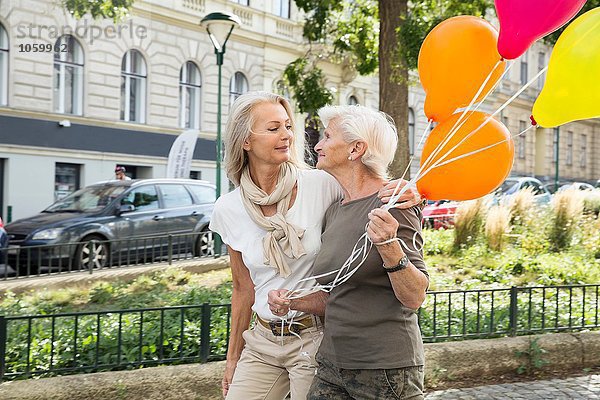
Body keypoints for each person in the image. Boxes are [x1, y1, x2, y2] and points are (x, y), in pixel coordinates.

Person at [208, 92, 421, 400]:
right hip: (263, 338)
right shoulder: (227, 208)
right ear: (245, 141)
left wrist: (411, 190)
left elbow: (369, 185)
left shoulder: (322, 184)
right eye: (273, 129)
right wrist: (232, 359)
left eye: (287, 125)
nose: (287, 136)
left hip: (314, 336)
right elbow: (243, 289)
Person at [270, 105, 429, 399]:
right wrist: (292, 302)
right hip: (332, 364)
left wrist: (389, 246)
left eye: (327, 136)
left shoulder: (395, 204)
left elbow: (415, 296)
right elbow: (339, 293)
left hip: (385, 369)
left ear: (356, 149)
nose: (317, 144)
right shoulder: (334, 211)